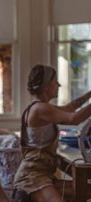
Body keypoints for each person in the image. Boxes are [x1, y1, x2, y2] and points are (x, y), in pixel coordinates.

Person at [12, 64, 91, 202]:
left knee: (84, 190)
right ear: (47, 85)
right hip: (32, 178)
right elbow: (74, 119)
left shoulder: (39, 106)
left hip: (41, 175)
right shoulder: (40, 109)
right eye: (55, 81)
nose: (59, 85)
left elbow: (69, 108)